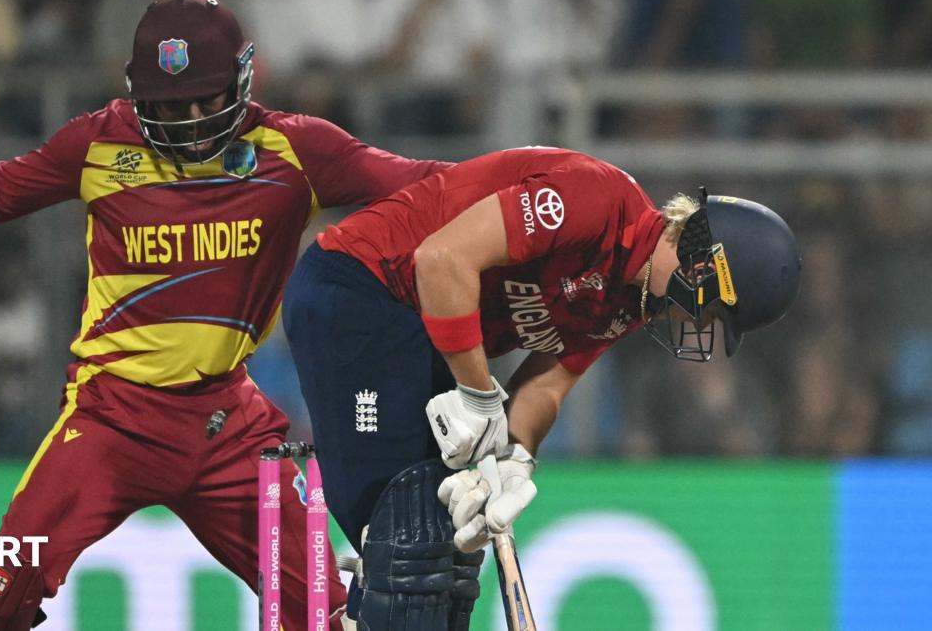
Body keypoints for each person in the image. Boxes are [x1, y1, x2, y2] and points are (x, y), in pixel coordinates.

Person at [0, 0, 449, 631]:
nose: (182, 125)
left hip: (228, 425)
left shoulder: (296, 150)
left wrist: (549, 197)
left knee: (330, 614)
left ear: (243, 82)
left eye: (200, 103)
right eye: (165, 106)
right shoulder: (101, 143)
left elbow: (434, 187)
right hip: (112, 419)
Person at [283, 146, 802, 629]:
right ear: (703, 261)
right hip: (358, 289)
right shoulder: (596, 201)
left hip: (414, 331)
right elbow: (441, 262)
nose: (701, 319)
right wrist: (479, 397)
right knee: (411, 546)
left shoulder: (632, 302)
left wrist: (511, 463)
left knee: (445, 564)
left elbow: (547, 386)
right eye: (713, 306)